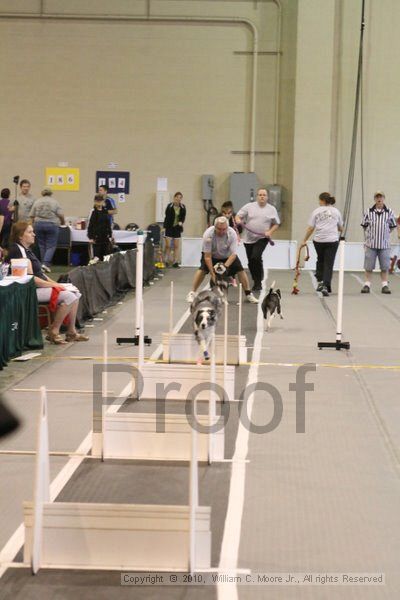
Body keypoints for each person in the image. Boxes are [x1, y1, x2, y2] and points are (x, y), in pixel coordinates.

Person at [7, 222, 89, 344]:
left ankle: (71, 332)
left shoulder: (28, 250)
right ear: (20, 236)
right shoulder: (17, 251)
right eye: (30, 232)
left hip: (38, 287)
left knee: (75, 293)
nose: (34, 234)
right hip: (27, 291)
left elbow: (41, 274)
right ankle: (54, 331)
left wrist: (56, 284)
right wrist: (55, 286)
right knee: (69, 296)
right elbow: (30, 279)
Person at [186, 216, 258, 304]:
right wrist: (213, 273)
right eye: (219, 229)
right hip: (211, 255)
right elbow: (207, 257)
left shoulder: (232, 234)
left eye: (224, 229)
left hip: (228, 256)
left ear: (227, 228)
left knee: (240, 270)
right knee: (202, 269)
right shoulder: (208, 234)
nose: (221, 231)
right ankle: (192, 293)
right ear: (214, 227)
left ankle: (248, 294)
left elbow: (233, 255)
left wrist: (224, 268)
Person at [235, 188, 280, 292]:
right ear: (257, 196)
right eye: (260, 195)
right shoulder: (249, 206)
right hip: (248, 238)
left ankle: (258, 282)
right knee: (251, 261)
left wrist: (270, 232)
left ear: (267, 197)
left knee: (256, 257)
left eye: (264, 195)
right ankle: (256, 279)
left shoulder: (271, 209)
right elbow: (238, 216)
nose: (262, 197)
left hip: (262, 238)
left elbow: (277, 223)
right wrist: (238, 219)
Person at [301, 192, 343, 296]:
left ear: (322, 201)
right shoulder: (336, 211)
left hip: (319, 240)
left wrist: (304, 240)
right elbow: (341, 228)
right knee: (329, 263)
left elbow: (311, 228)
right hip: (332, 240)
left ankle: (320, 281)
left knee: (320, 259)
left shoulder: (316, 211)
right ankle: (326, 284)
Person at [360, 191, 397, 294]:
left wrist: (385, 234)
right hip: (371, 244)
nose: (379, 199)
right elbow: (364, 226)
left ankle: (385, 285)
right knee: (368, 266)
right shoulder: (368, 211)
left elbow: (392, 226)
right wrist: (369, 237)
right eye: (377, 197)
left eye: (380, 197)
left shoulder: (389, 212)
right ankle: (367, 284)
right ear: (374, 199)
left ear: (384, 198)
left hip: (384, 245)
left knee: (385, 266)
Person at [29, 188, 65, 272]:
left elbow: (31, 215)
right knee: (51, 245)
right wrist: (63, 222)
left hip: (38, 224)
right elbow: (61, 214)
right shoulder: (55, 202)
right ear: (51, 193)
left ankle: (42, 265)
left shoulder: (37, 201)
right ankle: (45, 263)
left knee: (41, 245)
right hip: (51, 224)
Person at [163, 191, 186, 267]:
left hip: (177, 228)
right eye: (177, 197)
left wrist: (181, 222)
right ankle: (166, 260)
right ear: (174, 197)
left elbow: (183, 217)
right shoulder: (169, 206)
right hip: (169, 227)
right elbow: (166, 217)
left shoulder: (183, 207)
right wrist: (164, 227)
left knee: (176, 246)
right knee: (168, 245)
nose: (178, 199)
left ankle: (175, 262)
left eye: (180, 198)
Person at [87, 194, 113, 261]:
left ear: (103, 201)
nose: (99, 202)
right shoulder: (93, 211)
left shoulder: (105, 211)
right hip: (96, 239)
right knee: (96, 258)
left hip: (105, 238)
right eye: (97, 201)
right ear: (95, 201)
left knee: (106, 257)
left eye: (100, 201)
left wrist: (110, 235)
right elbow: (90, 225)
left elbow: (108, 224)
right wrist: (90, 237)